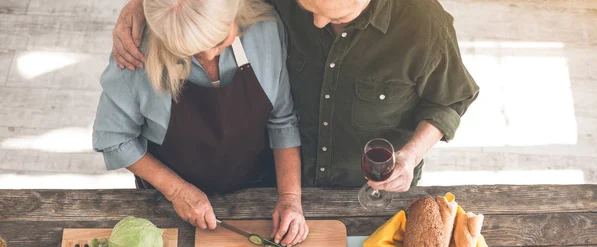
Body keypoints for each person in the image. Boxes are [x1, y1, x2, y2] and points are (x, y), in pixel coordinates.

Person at [111, 0, 479, 193]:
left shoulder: (426, 27)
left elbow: (448, 100)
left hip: (371, 190)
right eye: (308, 9)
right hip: (280, 181)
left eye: (331, 14)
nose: (316, 23)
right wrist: (144, 5)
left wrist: (411, 155)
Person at [94, 0, 308, 247]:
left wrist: (290, 198)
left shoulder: (265, 30)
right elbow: (114, 139)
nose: (208, 55)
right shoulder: (135, 55)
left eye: (218, 41)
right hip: (169, 207)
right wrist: (177, 191)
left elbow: (282, 121)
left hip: (259, 195)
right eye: (188, 50)